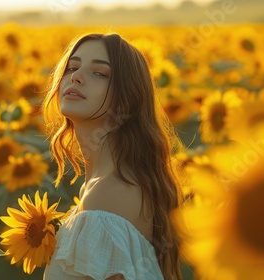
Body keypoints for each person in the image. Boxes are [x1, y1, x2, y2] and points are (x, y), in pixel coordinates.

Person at [42, 33, 183, 280]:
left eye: (100, 73)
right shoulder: (106, 185)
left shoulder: (109, 195)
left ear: (127, 98)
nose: (75, 76)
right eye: (72, 67)